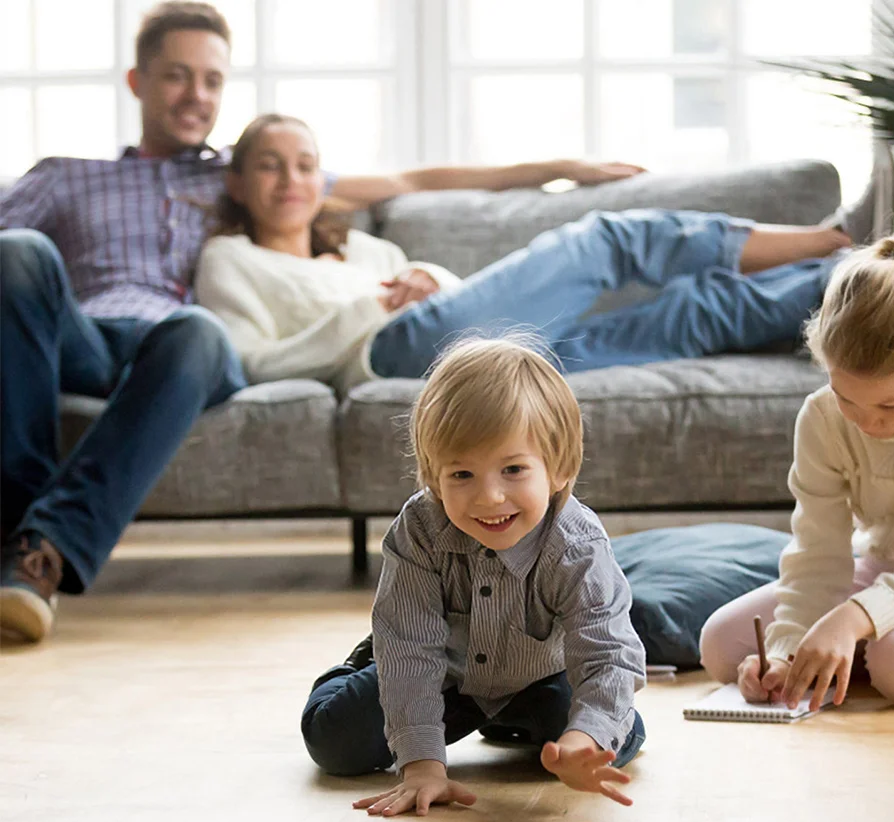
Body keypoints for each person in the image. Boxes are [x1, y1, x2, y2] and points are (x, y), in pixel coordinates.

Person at [0, 2, 644, 644]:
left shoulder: (241, 174)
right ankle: (14, 528)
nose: (196, 94)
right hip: (85, 338)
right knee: (18, 253)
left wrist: (561, 168)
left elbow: (411, 179)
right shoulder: (67, 177)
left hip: (186, 353)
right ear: (138, 82)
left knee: (197, 329)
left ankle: (42, 549)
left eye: (213, 80)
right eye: (176, 75)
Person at [196, 113, 870, 393]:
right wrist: (369, 309)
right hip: (393, 358)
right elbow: (249, 364)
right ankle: (834, 233)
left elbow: (466, 309)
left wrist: (428, 277)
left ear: (324, 180)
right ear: (237, 180)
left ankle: (859, 275)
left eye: (305, 164)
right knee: (604, 241)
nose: (290, 181)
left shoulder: (367, 249)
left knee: (690, 313)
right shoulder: (231, 260)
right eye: (269, 166)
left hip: (481, 359)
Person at [301, 338, 647, 815]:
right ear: (432, 477)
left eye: (513, 469)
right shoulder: (421, 529)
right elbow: (412, 650)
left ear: (560, 469)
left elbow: (608, 653)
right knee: (333, 742)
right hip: (442, 672)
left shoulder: (577, 544)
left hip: (540, 674)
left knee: (614, 739)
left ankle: (513, 718)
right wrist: (422, 764)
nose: (489, 497)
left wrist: (581, 739)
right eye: (461, 475)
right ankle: (363, 660)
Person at [699, 230, 894, 711]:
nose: (865, 421)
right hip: (887, 564)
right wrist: (784, 651)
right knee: (721, 645)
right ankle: (866, 647)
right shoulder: (821, 416)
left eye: (888, 404)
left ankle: (880, 647)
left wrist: (849, 621)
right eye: (846, 397)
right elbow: (817, 552)